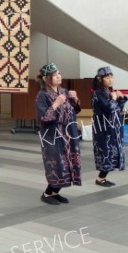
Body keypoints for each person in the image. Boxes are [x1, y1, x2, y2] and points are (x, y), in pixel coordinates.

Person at [35, 63, 82, 205]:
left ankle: (54, 193)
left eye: (59, 73)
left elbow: (75, 111)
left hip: (68, 135)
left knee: (68, 165)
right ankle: (47, 194)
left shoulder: (63, 91)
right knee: (57, 165)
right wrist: (55, 104)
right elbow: (44, 117)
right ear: (46, 78)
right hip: (52, 136)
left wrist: (75, 99)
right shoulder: (42, 95)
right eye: (55, 75)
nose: (59, 76)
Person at [91, 66, 128, 187]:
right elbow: (109, 109)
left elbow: (118, 110)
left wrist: (121, 99)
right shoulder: (98, 93)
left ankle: (103, 177)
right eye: (107, 77)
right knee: (106, 151)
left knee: (114, 151)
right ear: (100, 79)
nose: (110, 79)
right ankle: (100, 178)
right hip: (103, 128)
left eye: (112, 76)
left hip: (113, 127)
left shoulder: (108, 91)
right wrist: (113, 98)